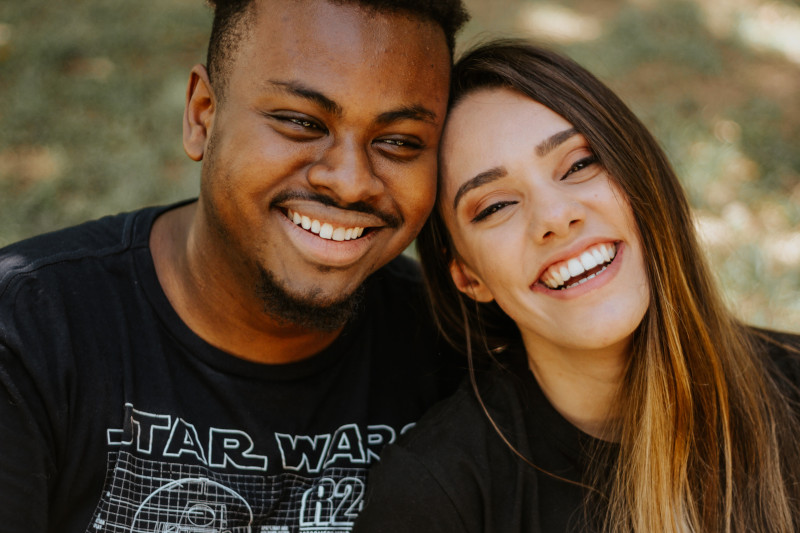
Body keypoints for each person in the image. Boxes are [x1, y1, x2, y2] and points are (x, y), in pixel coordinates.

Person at [0, 1, 470, 531]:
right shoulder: (28, 334)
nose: (350, 181)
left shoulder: (459, 351)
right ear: (203, 114)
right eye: (300, 122)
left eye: (400, 141)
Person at [353, 40, 800, 532]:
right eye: (495, 206)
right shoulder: (434, 499)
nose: (556, 217)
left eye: (579, 164)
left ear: (641, 175)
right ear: (467, 275)